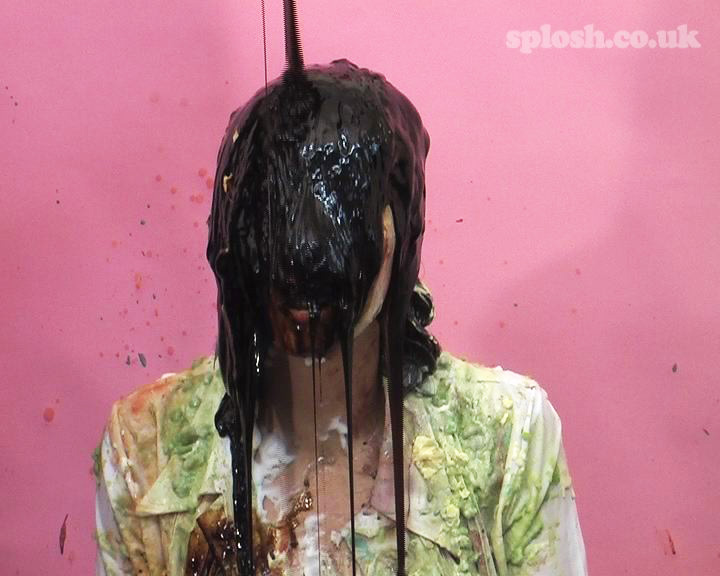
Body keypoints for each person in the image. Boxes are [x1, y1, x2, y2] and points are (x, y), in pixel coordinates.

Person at [95, 8, 587, 574]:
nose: (304, 255)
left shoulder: (506, 440)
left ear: (401, 221)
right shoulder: (146, 450)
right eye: (274, 214)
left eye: (342, 210)